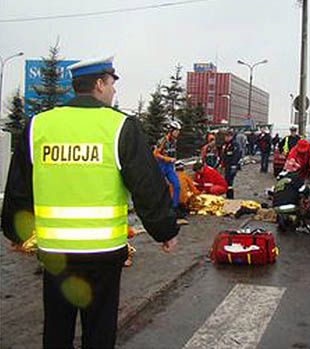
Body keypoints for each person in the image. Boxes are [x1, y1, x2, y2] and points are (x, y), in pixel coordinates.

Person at [0, 56, 179, 348]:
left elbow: (19, 187)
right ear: (99, 84)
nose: (113, 92)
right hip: (103, 254)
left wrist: (14, 232)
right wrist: (165, 231)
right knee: (99, 331)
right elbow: (146, 185)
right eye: (111, 84)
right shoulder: (120, 127)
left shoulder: (38, 126)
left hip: (55, 254)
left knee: (57, 330)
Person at [153, 120, 183, 217]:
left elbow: (173, 153)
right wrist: (167, 159)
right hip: (161, 166)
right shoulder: (163, 141)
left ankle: (175, 208)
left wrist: (175, 161)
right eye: (176, 131)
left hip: (169, 167)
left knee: (177, 185)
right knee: (159, 187)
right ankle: (157, 208)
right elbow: (155, 154)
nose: (178, 133)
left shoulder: (175, 141)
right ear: (171, 131)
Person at [221, 129, 241, 199]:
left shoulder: (234, 144)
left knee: (229, 182)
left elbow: (236, 155)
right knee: (226, 181)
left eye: (227, 136)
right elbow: (224, 154)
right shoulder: (226, 144)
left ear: (231, 137)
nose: (225, 138)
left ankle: (230, 196)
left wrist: (234, 165)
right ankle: (228, 195)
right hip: (227, 165)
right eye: (225, 136)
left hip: (232, 165)